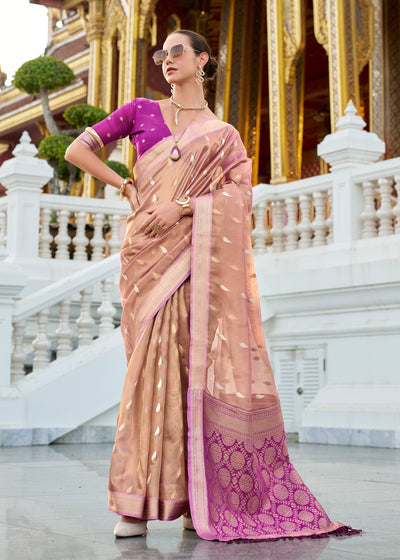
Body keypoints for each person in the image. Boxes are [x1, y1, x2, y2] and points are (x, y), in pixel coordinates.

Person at [65, 29, 359, 542]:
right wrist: (126, 183)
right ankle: (138, 501)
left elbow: (239, 195)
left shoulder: (223, 136)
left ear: (203, 59)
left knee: (186, 371)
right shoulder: (140, 112)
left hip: (192, 260)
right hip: (146, 257)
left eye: (177, 51)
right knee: (147, 374)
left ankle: (192, 498)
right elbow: (78, 150)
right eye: (161, 53)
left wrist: (182, 207)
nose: (166, 59)